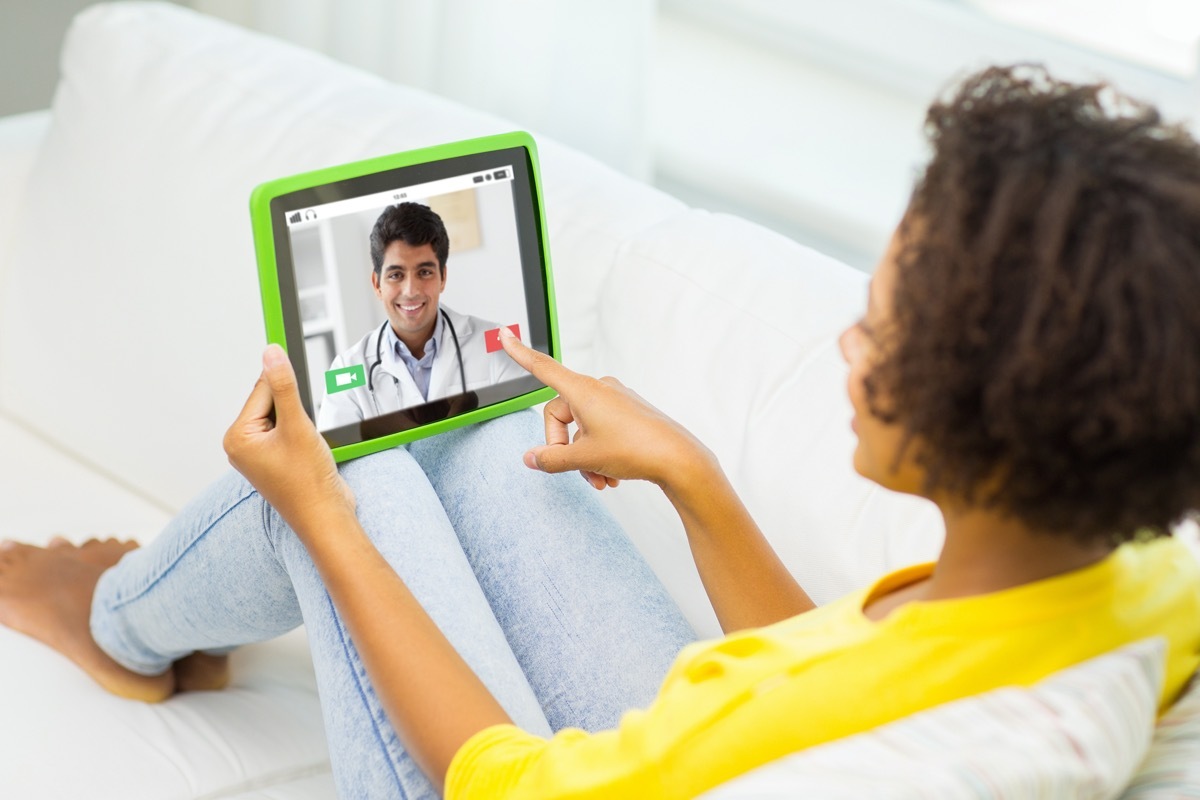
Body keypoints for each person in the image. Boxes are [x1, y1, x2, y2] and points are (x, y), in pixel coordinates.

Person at [2, 64, 1200, 799]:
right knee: (484, 437)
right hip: (688, 743)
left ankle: (115, 620)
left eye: (883, 333)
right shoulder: (1142, 580)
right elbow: (863, 675)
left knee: (351, 481)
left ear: (986, 423)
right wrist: (693, 475)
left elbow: (503, 784)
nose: (849, 341)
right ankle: (156, 609)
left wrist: (326, 521)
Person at [316, 201, 526, 429]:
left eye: (424, 272)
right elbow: (336, 458)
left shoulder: (497, 341)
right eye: (396, 275)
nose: (411, 291)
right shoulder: (345, 369)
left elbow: (518, 432)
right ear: (377, 284)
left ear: (443, 278)